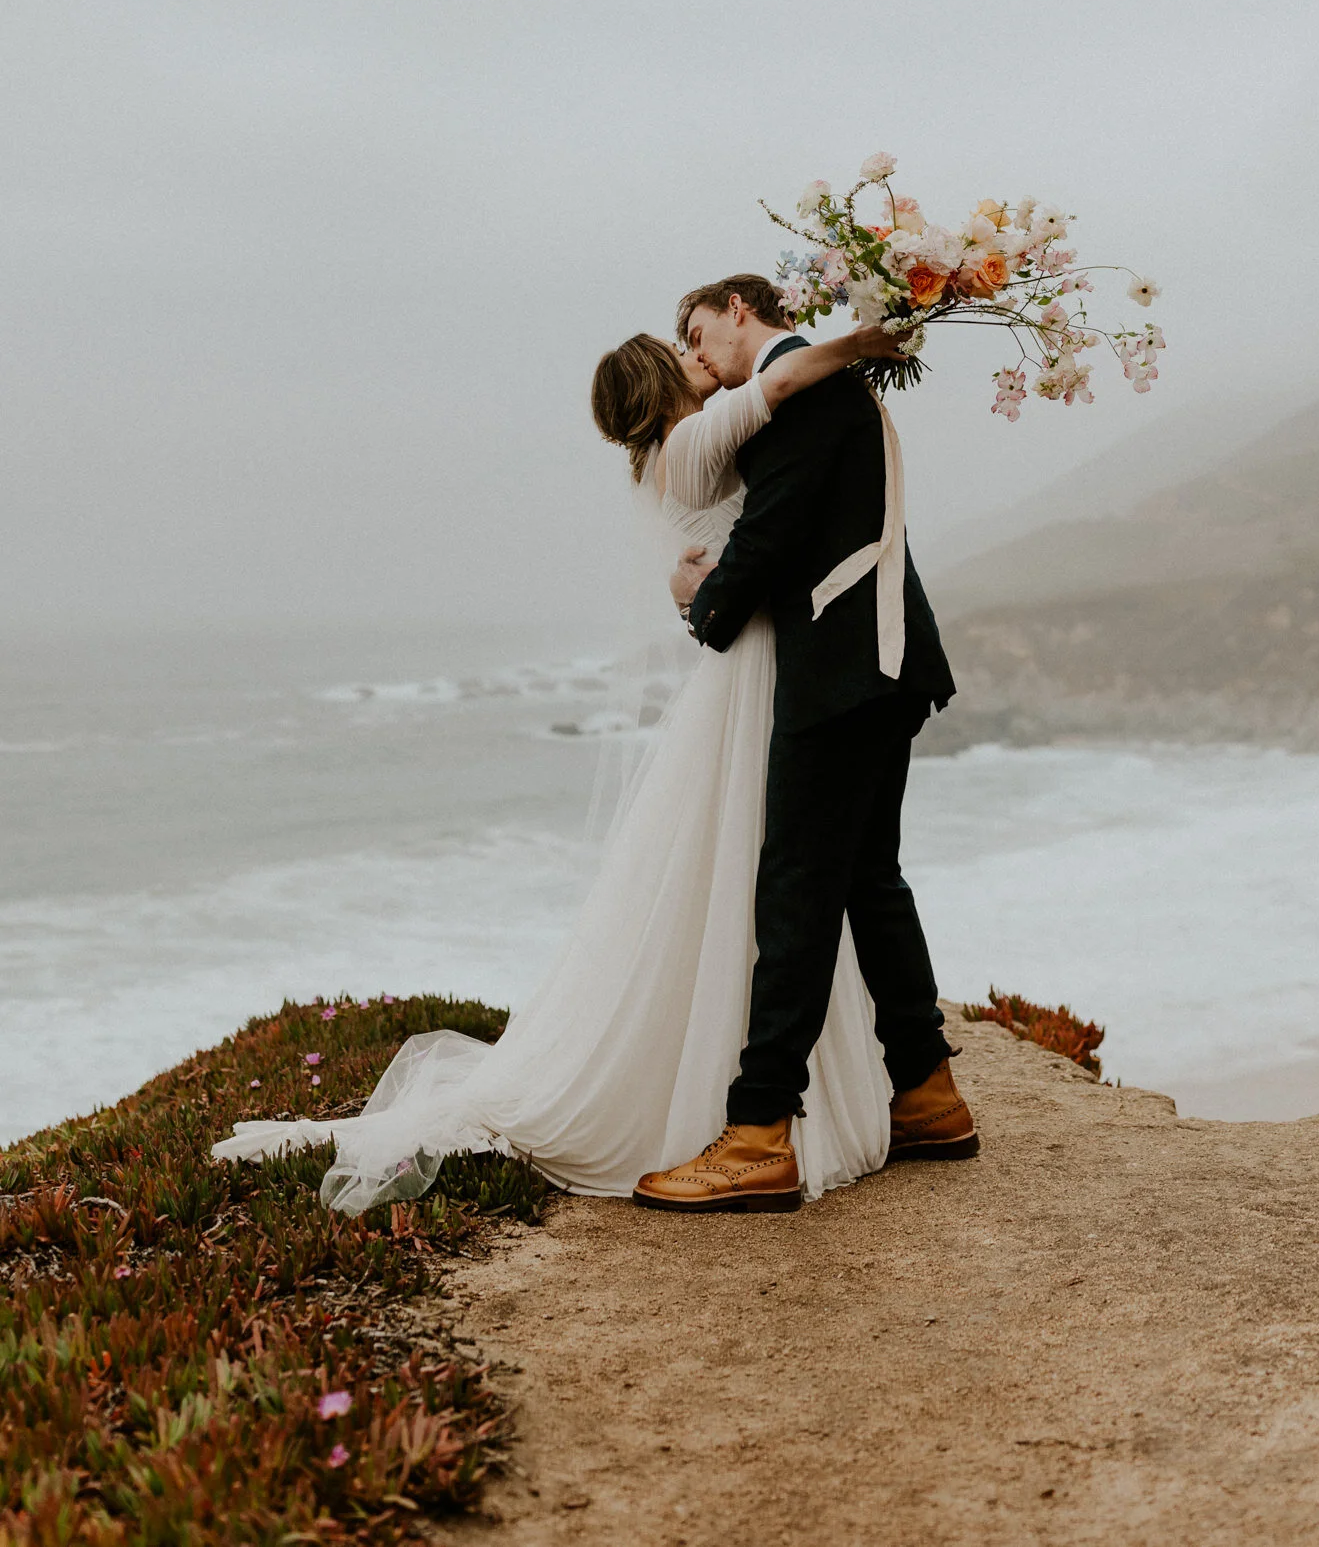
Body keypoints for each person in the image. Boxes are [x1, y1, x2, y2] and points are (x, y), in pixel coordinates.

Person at [211, 288, 918, 1209]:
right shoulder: (698, 440)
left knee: (771, 875)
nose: (698, 355)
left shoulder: (673, 458)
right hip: (757, 678)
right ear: (666, 380)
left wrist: (688, 587)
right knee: (774, 876)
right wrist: (859, 341)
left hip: (763, 671)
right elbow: (775, 394)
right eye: (686, 350)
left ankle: (772, 1101)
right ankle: (756, 1116)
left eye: (699, 336)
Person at [631, 276, 976, 1214]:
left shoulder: (803, 382)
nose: (697, 355)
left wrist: (699, 605)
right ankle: (927, 1095)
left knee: (797, 888)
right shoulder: (805, 381)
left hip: (841, 668)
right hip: (877, 660)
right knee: (867, 876)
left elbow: (774, 533)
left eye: (700, 331)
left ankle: (758, 1134)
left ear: (742, 309)